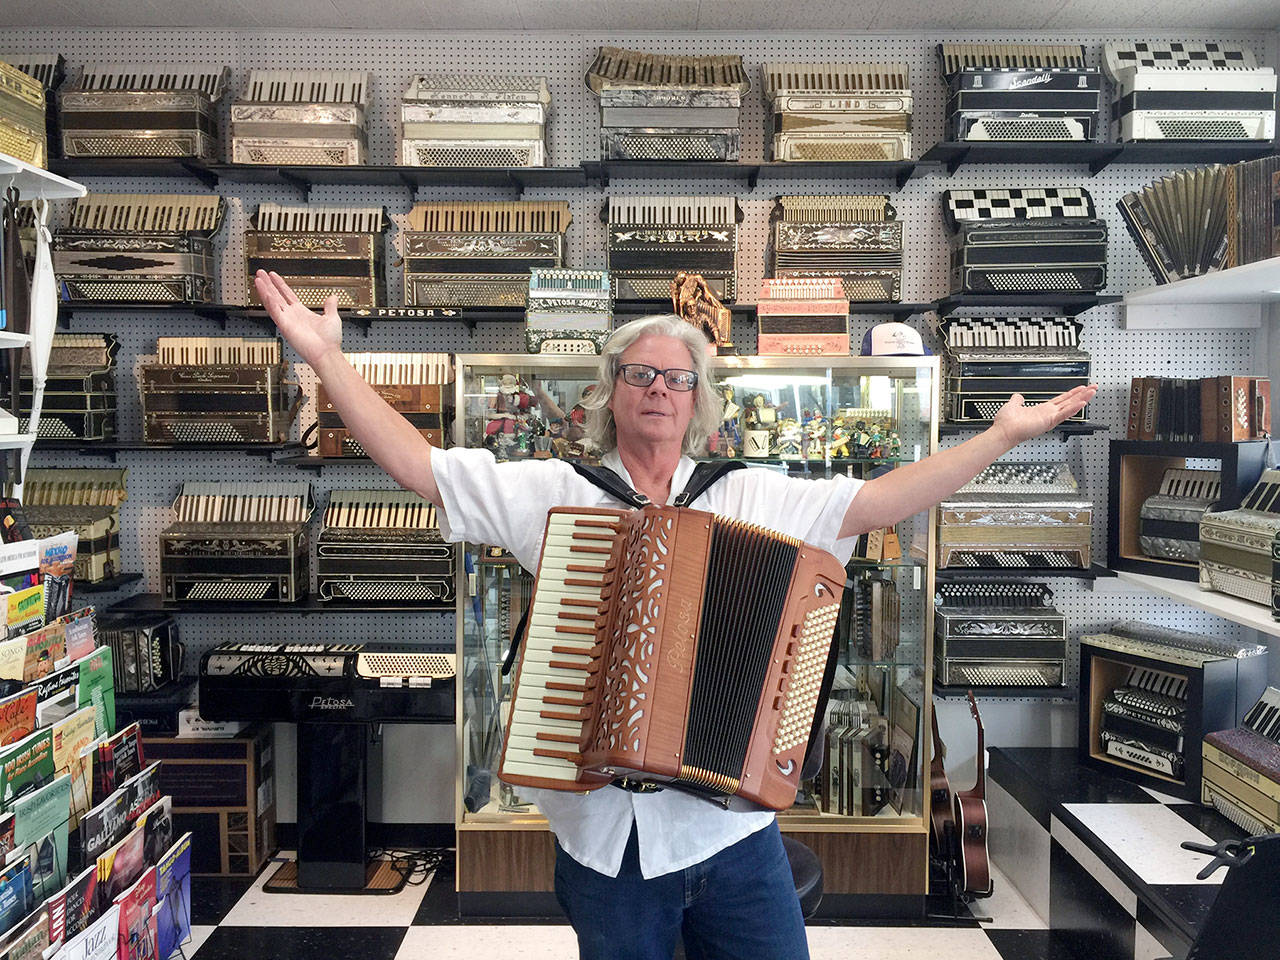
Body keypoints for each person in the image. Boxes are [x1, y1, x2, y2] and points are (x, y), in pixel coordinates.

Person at [253, 270, 1096, 960]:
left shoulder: (747, 493)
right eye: (640, 374)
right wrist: (328, 360)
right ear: (609, 392)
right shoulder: (553, 491)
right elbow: (419, 467)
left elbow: (880, 501)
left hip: (730, 833)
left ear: (699, 400)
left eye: (677, 378)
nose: (658, 389)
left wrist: (998, 437)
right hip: (603, 840)